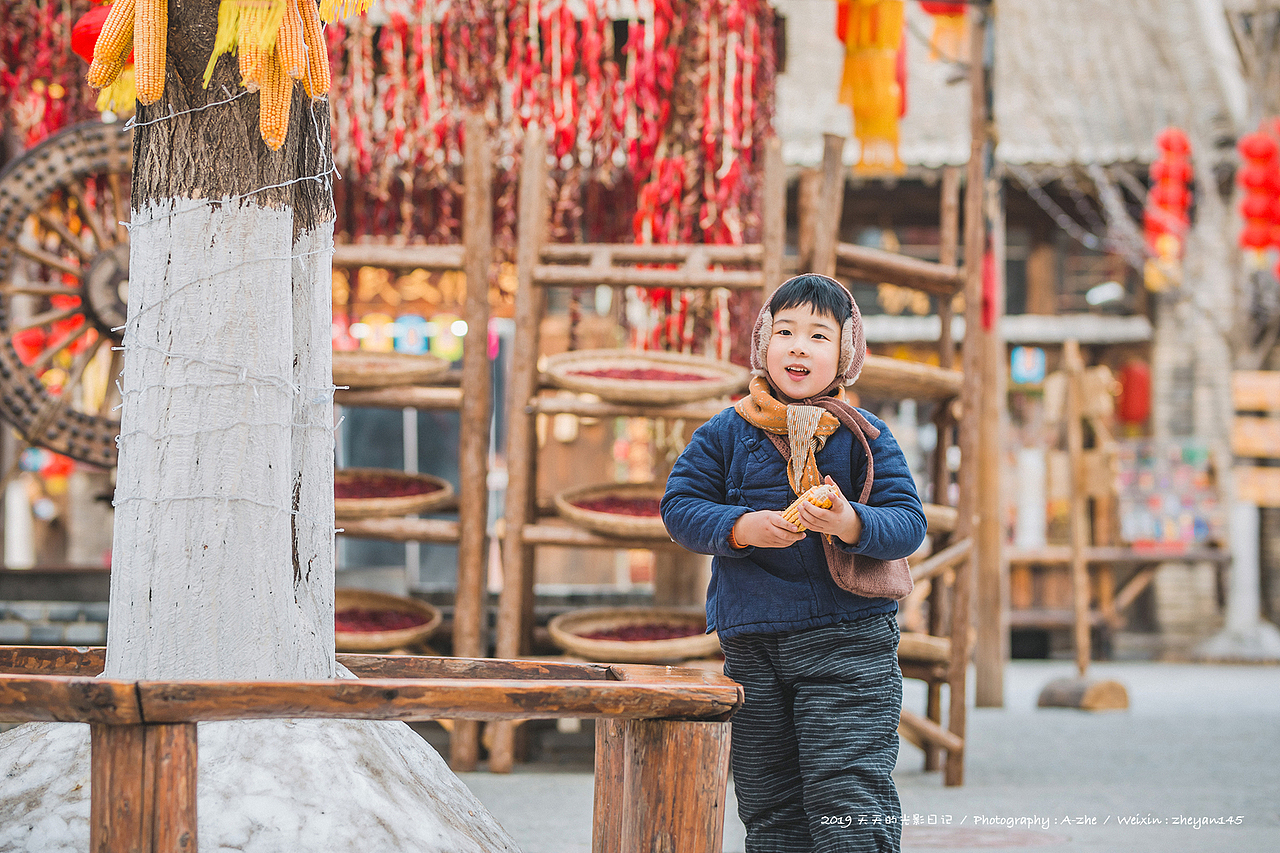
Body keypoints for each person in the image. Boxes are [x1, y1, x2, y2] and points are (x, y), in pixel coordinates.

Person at [661, 273, 927, 853]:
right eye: (784, 332)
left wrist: (850, 522)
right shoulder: (726, 432)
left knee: (847, 797)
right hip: (753, 645)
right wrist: (741, 527)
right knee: (769, 802)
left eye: (818, 336)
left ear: (846, 354)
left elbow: (909, 523)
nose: (798, 347)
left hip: (849, 642)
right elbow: (679, 507)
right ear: (763, 344)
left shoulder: (865, 437)